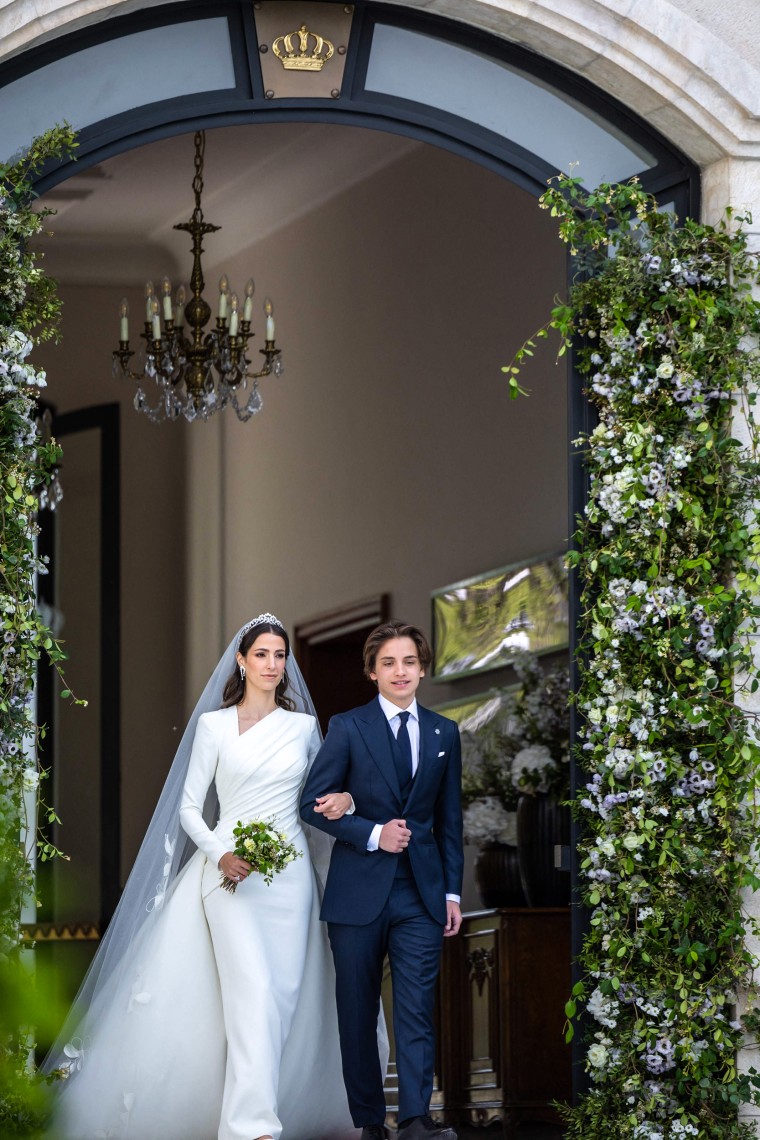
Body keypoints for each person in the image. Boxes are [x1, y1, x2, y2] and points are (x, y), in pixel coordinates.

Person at [45, 613, 368, 1140]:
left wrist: (347, 799)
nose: (271, 664)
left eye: (279, 656)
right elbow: (191, 807)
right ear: (242, 660)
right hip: (228, 875)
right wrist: (220, 855)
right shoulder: (214, 726)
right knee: (254, 992)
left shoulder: (305, 728)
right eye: (261, 654)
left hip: (289, 881)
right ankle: (251, 1128)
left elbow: (319, 794)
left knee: (282, 999)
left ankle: (270, 1107)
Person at [300, 620, 464, 1140]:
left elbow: (450, 821)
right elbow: (311, 804)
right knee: (356, 1013)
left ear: (422, 668)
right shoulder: (347, 727)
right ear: (372, 671)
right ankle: (370, 1123)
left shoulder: (444, 732)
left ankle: (416, 1118)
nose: (400, 672)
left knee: (415, 1009)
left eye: (410, 662)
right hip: (356, 894)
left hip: (420, 893)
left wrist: (452, 891)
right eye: (389, 663)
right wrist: (372, 834)